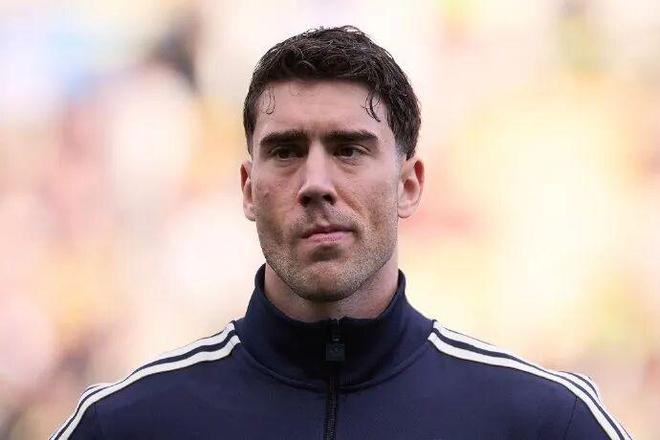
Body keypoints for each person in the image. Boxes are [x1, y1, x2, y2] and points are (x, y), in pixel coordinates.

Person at [52, 26, 630, 440]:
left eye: (350, 149)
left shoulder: (544, 422)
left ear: (409, 185)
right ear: (249, 189)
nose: (316, 183)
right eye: (286, 151)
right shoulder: (126, 424)